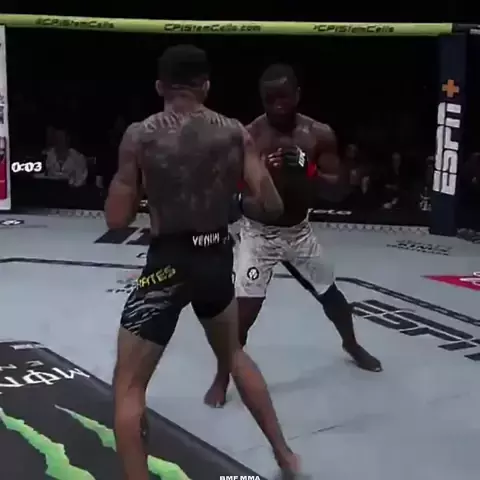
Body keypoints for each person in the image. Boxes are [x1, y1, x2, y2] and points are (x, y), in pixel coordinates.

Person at [105, 46, 300, 479]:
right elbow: (271, 205)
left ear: (160, 86)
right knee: (234, 355)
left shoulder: (140, 136)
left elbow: (116, 220)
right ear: (206, 86)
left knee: (128, 386)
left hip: (167, 263)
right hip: (215, 258)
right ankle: (287, 457)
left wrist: (146, 191)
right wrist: (232, 202)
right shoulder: (234, 133)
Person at [205, 63, 382, 408]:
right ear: (261, 100)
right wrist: (258, 185)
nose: (278, 105)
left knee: (331, 295)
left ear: (297, 95)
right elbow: (230, 197)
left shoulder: (318, 135)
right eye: (270, 99)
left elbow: (339, 191)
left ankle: (351, 344)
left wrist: (308, 170)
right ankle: (222, 377)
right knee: (244, 313)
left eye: (284, 97)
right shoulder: (250, 137)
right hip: (259, 234)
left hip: (299, 232)